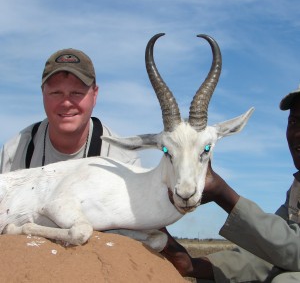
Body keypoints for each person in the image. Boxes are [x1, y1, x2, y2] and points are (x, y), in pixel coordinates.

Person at [161, 86, 300, 282]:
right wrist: (195, 266)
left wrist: (222, 193)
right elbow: (272, 252)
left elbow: (296, 252)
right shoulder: (296, 188)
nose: (297, 134)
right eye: (293, 122)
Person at [0, 48, 139, 173]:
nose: (66, 103)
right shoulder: (14, 154)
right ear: (43, 93)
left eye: (77, 93)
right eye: (56, 93)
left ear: (95, 95)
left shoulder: (123, 162)